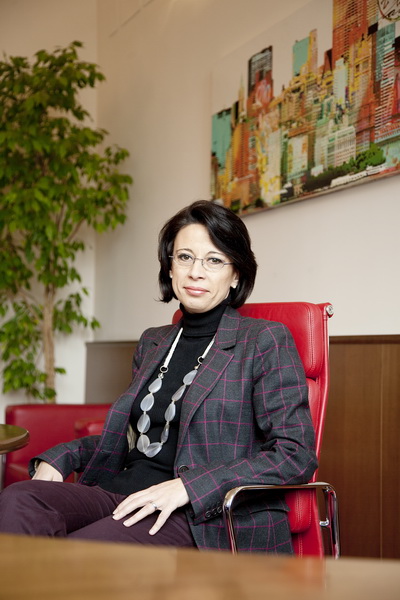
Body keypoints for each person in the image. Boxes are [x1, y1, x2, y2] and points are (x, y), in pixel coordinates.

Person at [0, 200, 317, 553]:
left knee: (83, 548)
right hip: (124, 492)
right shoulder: (154, 341)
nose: (196, 272)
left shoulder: (262, 340)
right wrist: (63, 457)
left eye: (214, 260)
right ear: (170, 267)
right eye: (185, 257)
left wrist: (189, 487)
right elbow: (131, 439)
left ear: (236, 275)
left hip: (199, 515)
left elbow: (295, 454)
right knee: (19, 499)